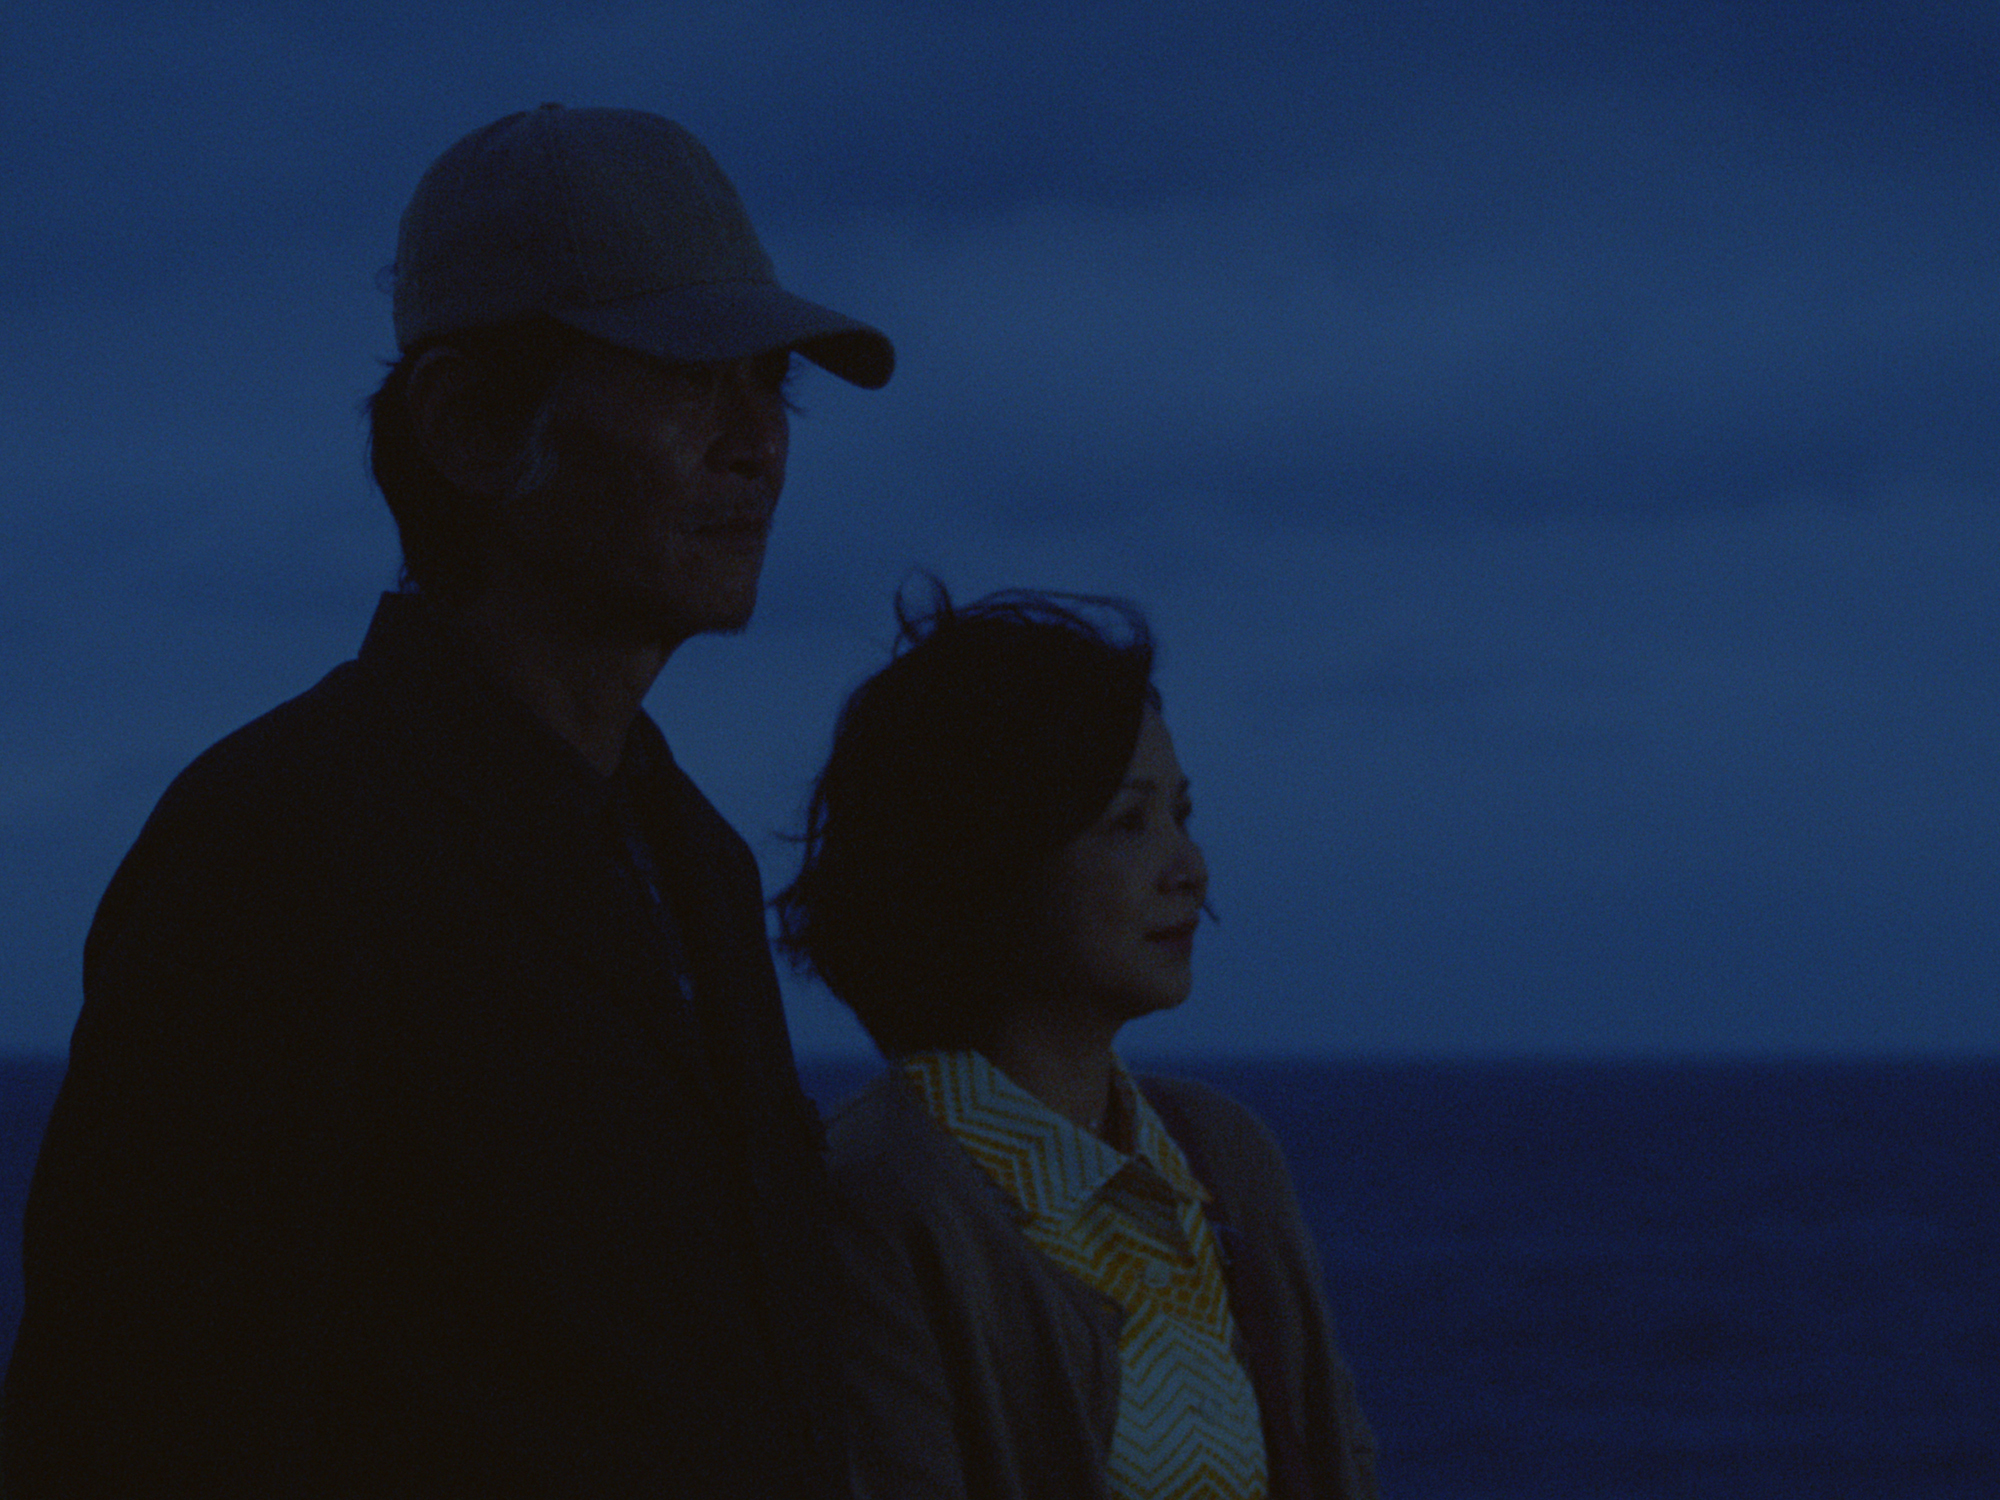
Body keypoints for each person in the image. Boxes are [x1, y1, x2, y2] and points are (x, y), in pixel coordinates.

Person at [5, 104, 892, 1498]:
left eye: (772, 386)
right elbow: (131, 1424)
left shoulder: (695, 861)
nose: (757, 445)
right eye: (689, 378)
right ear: (470, 425)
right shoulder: (277, 852)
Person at [775, 584, 1380, 1500]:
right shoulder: (881, 1205)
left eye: (1182, 813)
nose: (1188, 868)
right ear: (987, 858)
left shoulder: (1222, 1159)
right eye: (1127, 824)